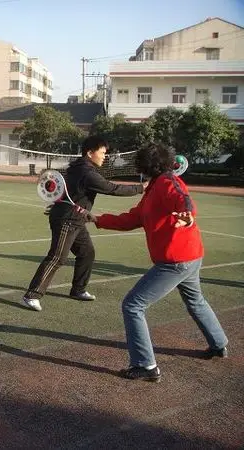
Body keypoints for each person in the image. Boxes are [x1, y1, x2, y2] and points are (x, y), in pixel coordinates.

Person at [89, 143, 228, 382]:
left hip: (176, 261)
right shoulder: (154, 188)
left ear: (146, 166)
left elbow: (184, 201)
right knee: (195, 301)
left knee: (133, 305)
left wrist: (187, 216)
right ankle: (219, 344)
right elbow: (133, 218)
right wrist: (98, 219)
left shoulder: (167, 182)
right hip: (188, 257)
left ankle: (146, 366)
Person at [23, 136, 145, 312]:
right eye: (102, 153)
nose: (105, 156)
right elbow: (112, 188)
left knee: (87, 253)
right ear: (90, 153)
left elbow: (67, 189)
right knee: (58, 257)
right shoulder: (87, 173)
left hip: (75, 219)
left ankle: (78, 290)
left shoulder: (78, 168)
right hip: (67, 219)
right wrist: (141, 188)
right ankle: (32, 295)